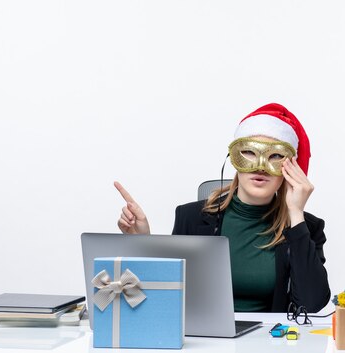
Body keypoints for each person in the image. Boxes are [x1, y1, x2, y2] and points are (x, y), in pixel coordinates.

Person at [115, 103, 330, 313]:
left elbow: (311, 304)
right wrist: (142, 241)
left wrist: (295, 214)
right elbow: (167, 295)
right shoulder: (190, 218)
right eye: (249, 152)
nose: (260, 166)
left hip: (268, 343)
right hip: (203, 342)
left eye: (275, 156)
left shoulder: (306, 227)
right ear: (234, 159)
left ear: (290, 168)